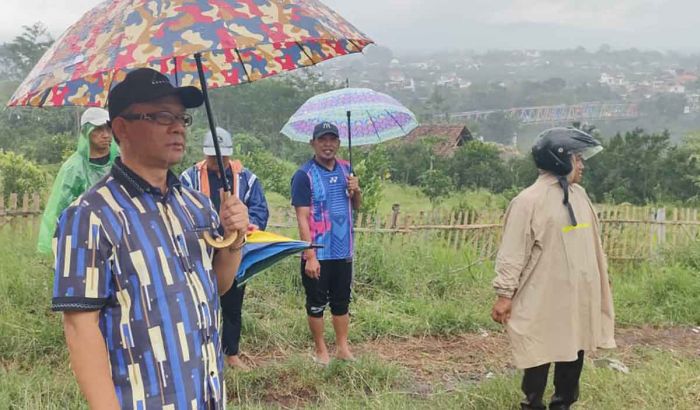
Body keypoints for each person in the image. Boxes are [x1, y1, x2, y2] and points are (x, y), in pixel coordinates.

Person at [50, 68, 249, 410]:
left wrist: (234, 239)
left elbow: (217, 285)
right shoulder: (89, 215)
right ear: (121, 129)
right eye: (160, 116)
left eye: (181, 118)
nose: (177, 127)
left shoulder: (195, 205)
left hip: (206, 395)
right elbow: (80, 328)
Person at [490, 127, 616, 410]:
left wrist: (599, 281)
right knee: (539, 348)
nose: (582, 164)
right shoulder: (528, 201)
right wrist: (504, 293)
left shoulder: (579, 195)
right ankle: (532, 403)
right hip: (542, 293)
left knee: (574, 346)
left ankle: (563, 403)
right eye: (577, 158)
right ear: (559, 159)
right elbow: (512, 251)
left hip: (577, 294)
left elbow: (591, 245)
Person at [180, 126, 269, 370]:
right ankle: (198, 352)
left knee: (233, 303)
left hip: (236, 250)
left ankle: (231, 354)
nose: (216, 161)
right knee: (197, 301)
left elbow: (261, 210)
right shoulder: (188, 178)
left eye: (221, 156)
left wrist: (245, 225)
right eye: (211, 156)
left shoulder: (246, 179)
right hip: (200, 250)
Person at [290, 121, 361, 365]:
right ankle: (321, 350)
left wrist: (357, 190)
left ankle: (342, 348)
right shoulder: (303, 175)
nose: (327, 144)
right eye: (322, 140)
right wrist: (309, 255)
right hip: (318, 252)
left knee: (342, 302)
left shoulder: (346, 170)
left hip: (343, 251)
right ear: (313, 143)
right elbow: (302, 216)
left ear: (339, 144)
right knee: (317, 304)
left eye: (332, 140)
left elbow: (357, 207)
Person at [37, 107, 119, 254]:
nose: (106, 135)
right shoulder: (73, 168)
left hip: (119, 234)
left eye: (109, 128)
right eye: (98, 129)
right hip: (85, 238)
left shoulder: (121, 160)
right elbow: (58, 206)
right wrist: (50, 242)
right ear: (85, 132)